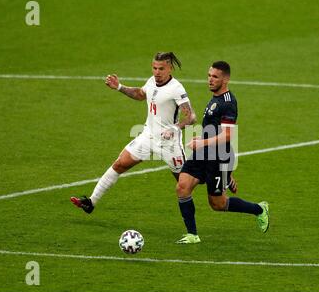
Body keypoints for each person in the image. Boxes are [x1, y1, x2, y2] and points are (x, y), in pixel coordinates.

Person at [71, 52, 196, 213]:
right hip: (147, 136)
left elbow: (191, 116)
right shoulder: (151, 82)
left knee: (185, 184)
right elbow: (140, 94)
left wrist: (174, 128)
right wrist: (119, 87)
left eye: (161, 69)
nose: (157, 72)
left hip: (169, 144)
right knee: (119, 164)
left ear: (170, 68)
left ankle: (214, 177)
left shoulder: (176, 89)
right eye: (154, 68)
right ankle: (91, 202)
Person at [175, 61, 269, 244]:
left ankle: (259, 209)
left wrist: (203, 145)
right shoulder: (214, 99)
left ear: (225, 79)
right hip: (204, 153)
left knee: (217, 204)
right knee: (182, 187)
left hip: (218, 158)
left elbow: (227, 136)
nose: (210, 80)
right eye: (209, 75)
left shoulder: (228, 103)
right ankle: (192, 235)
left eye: (215, 77)